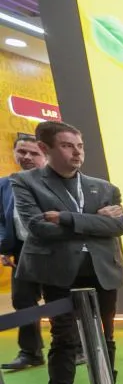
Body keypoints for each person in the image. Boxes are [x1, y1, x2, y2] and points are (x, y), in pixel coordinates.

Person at [13, 120, 123, 384]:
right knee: (64, 338)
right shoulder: (26, 182)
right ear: (45, 148)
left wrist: (67, 218)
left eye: (80, 146)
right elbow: (38, 227)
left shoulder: (104, 187)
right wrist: (94, 222)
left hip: (101, 271)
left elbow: (121, 225)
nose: (77, 152)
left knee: (105, 336)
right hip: (58, 274)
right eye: (67, 146)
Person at [0, 133, 47, 371]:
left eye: (33, 153)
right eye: (22, 152)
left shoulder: (57, 181)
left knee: (61, 300)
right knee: (23, 301)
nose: (27, 157)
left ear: (45, 155)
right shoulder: (4, 185)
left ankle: (77, 347)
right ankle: (30, 353)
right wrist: (4, 248)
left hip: (56, 251)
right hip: (22, 251)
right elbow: (1, 219)